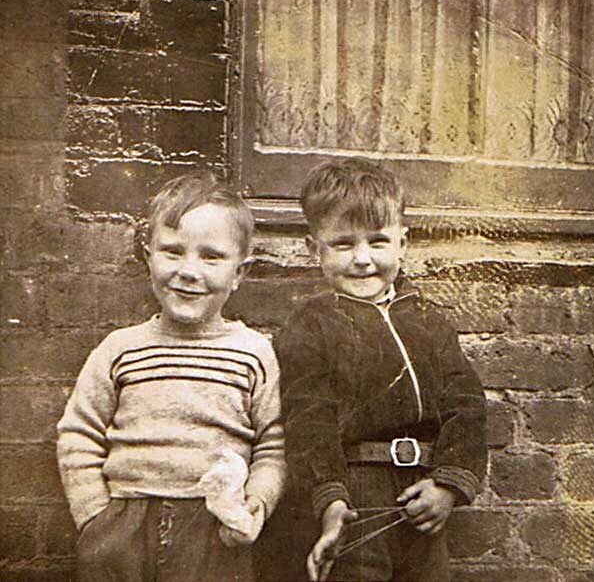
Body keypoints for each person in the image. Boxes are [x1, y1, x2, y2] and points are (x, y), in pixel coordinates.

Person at [57, 171, 286, 582]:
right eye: (173, 251)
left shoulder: (253, 351)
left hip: (213, 529)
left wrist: (255, 503)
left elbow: (272, 445)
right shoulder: (120, 349)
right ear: (149, 258)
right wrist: (95, 516)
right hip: (124, 521)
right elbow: (79, 433)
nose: (188, 271)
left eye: (211, 257)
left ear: (239, 273)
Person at [271, 158, 487, 582]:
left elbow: (467, 405)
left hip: (424, 494)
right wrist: (331, 502)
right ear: (315, 249)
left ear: (403, 244)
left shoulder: (428, 319)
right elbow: (307, 420)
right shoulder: (311, 324)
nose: (363, 259)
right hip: (356, 496)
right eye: (344, 244)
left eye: (378, 241)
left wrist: (449, 484)